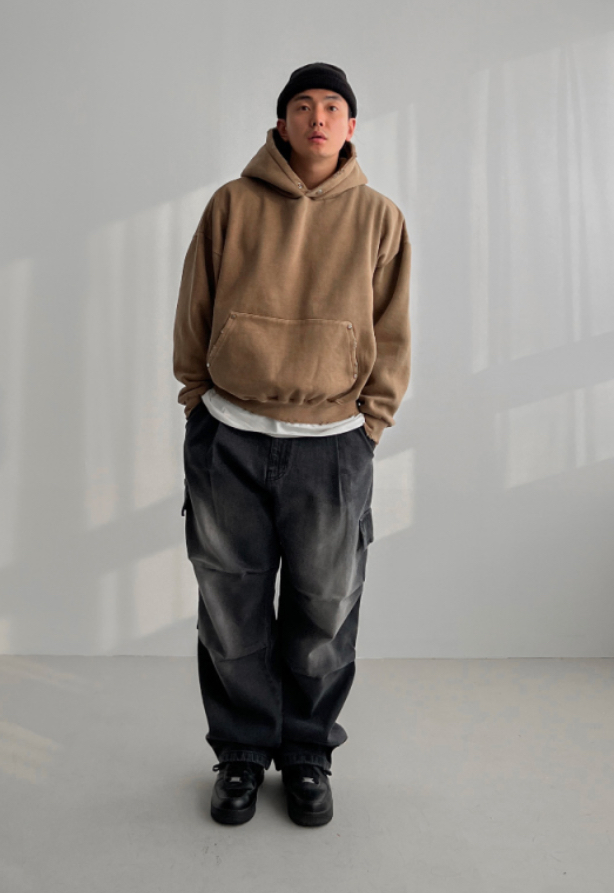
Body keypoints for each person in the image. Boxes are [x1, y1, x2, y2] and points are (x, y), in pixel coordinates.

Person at [172, 62, 411, 827]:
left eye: (332, 106)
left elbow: (393, 330)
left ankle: (307, 753)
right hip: (230, 439)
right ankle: (241, 754)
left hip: (333, 447)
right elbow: (196, 306)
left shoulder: (378, 216)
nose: (317, 117)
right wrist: (196, 401)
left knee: (325, 611)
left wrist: (371, 424)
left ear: (351, 126)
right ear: (280, 123)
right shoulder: (231, 204)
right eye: (302, 106)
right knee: (231, 609)